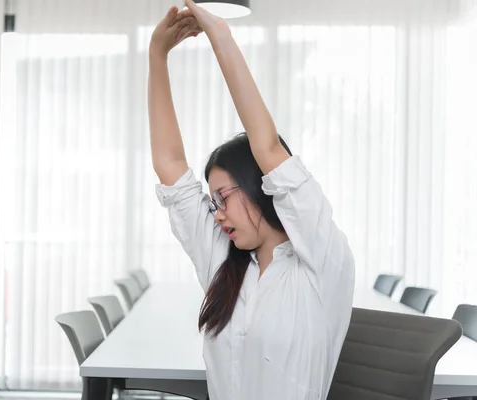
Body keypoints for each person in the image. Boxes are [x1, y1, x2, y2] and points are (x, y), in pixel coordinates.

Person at [148, 1, 355, 399]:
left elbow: (269, 149)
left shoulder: (322, 263)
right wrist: (157, 54)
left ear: (260, 186)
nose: (218, 214)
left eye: (224, 197)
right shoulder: (223, 265)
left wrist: (220, 37)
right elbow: (169, 164)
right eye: (213, 203)